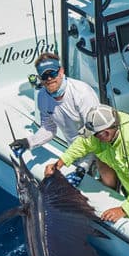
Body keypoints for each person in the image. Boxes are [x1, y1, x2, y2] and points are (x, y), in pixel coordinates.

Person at [27, 52, 101, 181]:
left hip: (98, 152)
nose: (49, 79)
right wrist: (27, 143)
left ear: (61, 71)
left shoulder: (82, 93)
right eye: (45, 75)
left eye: (53, 73)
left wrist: (84, 166)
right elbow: (49, 128)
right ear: (40, 78)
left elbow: (95, 134)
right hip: (74, 155)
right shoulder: (42, 96)